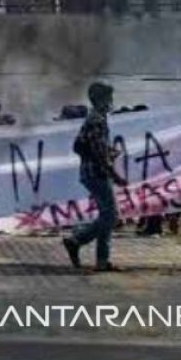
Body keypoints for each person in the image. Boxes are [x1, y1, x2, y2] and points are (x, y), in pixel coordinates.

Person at [63, 82, 127, 272]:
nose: (111, 101)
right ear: (100, 99)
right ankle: (76, 240)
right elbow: (98, 154)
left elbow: (90, 146)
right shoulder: (97, 120)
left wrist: (109, 151)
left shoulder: (95, 119)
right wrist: (115, 175)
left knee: (106, 215)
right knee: (111, 216)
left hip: (92, 172)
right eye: (108, 97)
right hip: (96, 173)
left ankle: (102, 261)